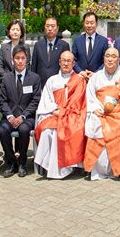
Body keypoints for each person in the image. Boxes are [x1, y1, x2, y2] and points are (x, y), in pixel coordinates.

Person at [84, 47, 120, 180]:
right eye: (107, 56)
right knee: (97, 127)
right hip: (99, 113)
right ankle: (99, 170)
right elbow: (90, 97)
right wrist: (95, 109)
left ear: (118, 60)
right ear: (104, 59)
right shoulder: (96, 77)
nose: (110, 59)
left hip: (119, 113)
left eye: (113, 56)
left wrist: (114, 109)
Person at [34, 51, 87, 179]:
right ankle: (49, 167)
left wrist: (65, 113)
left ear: (73, 63)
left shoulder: (79, 80)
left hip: (73, 115)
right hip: (55, 114)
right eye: (64, 60)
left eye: (69, 61)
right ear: (59, 62)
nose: (66, 63)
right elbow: (46, 100)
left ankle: (70, 165)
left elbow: (80, 103)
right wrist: (54, 110)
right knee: (48, 130)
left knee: (74, 129)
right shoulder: (52, 80)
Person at [0, 45, 42, 177]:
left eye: (23, 58)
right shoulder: (6, 78)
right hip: (10, 116)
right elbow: (3, 101)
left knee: (23, 130)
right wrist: (10, 116)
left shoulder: (34, 78)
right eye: (17, 58)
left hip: (27, 117)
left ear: (27, 60)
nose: (20, 61)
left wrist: (23, 116)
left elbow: (35, 100)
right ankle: (12, 162)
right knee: (2, 130)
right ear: (13, 60)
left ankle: (22, 162)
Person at [31, 17, 71, 87]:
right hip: (40, 85)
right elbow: (34, 67)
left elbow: (67, 66)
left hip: (58, 85)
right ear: (44, 27)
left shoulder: (64, 45)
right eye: (47, 26)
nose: (50, 29)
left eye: (52, 26)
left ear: (57, 28)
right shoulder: (38, 45)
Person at [71, 12, 107, 78]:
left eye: (92, 23)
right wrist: (80, 71)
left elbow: (105, 61)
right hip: (80, 77)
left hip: (97, 78)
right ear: (83, 24)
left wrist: (96, 73)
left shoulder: (103, 41)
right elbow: (73, 59)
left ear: (96, 24)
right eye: (87, 23)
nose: (89, 25)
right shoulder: (77, 40)